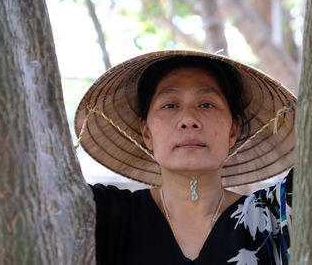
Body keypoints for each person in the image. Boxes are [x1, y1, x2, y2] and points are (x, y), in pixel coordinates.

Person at [74, 50, 296, 265]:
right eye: (170, 105)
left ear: (233, 131)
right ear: (147, 133)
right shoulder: (103, 213)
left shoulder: (276, 214)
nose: (189, 119)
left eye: (207, 104)